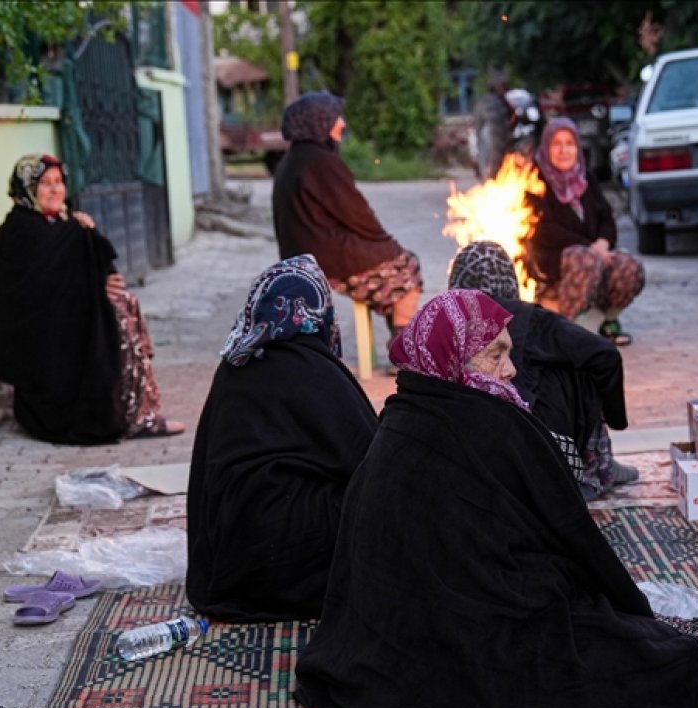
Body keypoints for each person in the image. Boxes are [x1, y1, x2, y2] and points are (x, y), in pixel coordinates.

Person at [293, 289, 698, 708]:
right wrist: (632, 612)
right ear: (453, 359)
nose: (511, 370)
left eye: (509, 352)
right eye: (495, 354)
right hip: (472, 637)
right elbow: (572, 536)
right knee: (656, 658)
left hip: (391, 642)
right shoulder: (489, 422)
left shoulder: (404, 410)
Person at [185, 255, 379, 621]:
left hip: (227, 563)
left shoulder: (235, 363)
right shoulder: (314, 369)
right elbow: (371, 463)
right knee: (376, 506)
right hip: (282, 559)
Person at [0, 154, 183, 445]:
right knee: (112, 319)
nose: (55, 190)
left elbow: (76, 266)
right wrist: (94, 287)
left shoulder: (56, 223)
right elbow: (35, 296)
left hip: (62, 324)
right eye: (45, 184)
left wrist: (83, 236)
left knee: (121, 304)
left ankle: (137, 412)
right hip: (39, 343)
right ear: (26, 190)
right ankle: (129, 417)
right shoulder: (20, 232)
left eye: (59, 182)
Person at [447, 241, 637, 500]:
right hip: (531, 444)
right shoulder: (529, 318)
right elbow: (605, 355)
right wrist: (617, 420)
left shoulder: (442, 322)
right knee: (579, 361)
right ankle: (597, 464)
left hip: (461, 449)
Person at [272, 90, 423, 348]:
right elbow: (357, 214)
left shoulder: (293, 160)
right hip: (327, 259)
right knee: (407, 268)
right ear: (318, 122)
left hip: (303, 254)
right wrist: (386, 243)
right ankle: (404, 352)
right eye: (336, 117)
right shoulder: (320, 162)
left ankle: (402, 344)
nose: (342, 123)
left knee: (392, 264)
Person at [525, 117, 646, 344]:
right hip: (553, 264)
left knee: (629, 267)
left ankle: (602, 323)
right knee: (586, 260)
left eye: (569, 144)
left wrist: (602, 243)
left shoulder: (586, 179)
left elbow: (606, 219)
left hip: (593, 257)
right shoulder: (536, 181)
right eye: (556, 144)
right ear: (546, 147)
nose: (564, 151)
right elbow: (545, 229)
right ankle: (571, 333)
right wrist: (590, 248)